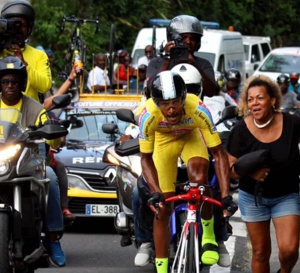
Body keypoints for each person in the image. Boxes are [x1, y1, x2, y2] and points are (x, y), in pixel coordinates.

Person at [139, 70, 233, 273]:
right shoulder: (148, 116)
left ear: (184, 98)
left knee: (200, 180)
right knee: (162, 207)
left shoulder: (198, 109)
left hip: (191, 137)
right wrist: (155, 192)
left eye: (175, 102)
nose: (171, 110)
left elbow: (219, 153)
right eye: (164, 104)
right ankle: (162, 267)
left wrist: (225, 195)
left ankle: (208, 237)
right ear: (155, 102)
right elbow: (145, 158)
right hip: (163, 143)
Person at [227, 75, 300, 273]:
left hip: (286, 194)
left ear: (273, 100)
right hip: (253, 198)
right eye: (250, 99)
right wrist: (250, 173)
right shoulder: (240, 130)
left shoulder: (292, 124)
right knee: (260, 253)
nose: (254, 103)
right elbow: (230, 169)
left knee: (290, 249)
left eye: (260, 98)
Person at [0, 56, 66, 267]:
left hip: (28, 161)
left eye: (15, 81)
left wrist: (53, 131)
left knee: (52, 179)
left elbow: (52, 136)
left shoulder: (35, 108)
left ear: (22, 83)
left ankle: (53, 238)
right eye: (5, 81)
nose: (10, 85)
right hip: (2, 162)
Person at [146, 15, 218, 98]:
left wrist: (194, 65)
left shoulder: (204, 64)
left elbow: (211, 92)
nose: (188, 41)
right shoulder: (156, 62)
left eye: (193, 38)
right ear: (172, 39)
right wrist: (167, 60)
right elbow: (151, 88)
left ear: (198, 42)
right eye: (183, 37)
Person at [0, 0, 52, 102]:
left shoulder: (39, 55)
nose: (17, 29)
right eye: (14, 25)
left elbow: (45, 86)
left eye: (21, 25)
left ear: (29, 28)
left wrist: (24, 63)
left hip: (28, 114)